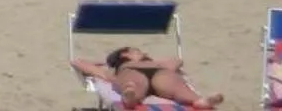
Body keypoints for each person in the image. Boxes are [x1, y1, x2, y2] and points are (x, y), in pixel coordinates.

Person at [70, 46, 224, 109]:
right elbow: (77, 62)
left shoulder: (122, 70)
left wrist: (147, 59)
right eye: (137, 50)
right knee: (132, 84)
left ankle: (201, 101)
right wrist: (107, 62)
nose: (143, 52)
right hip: (144, 72)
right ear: (125, 53)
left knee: (177, 88)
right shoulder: (118, 69)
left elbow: (178, 61)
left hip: (156, 74)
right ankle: (130, 97)